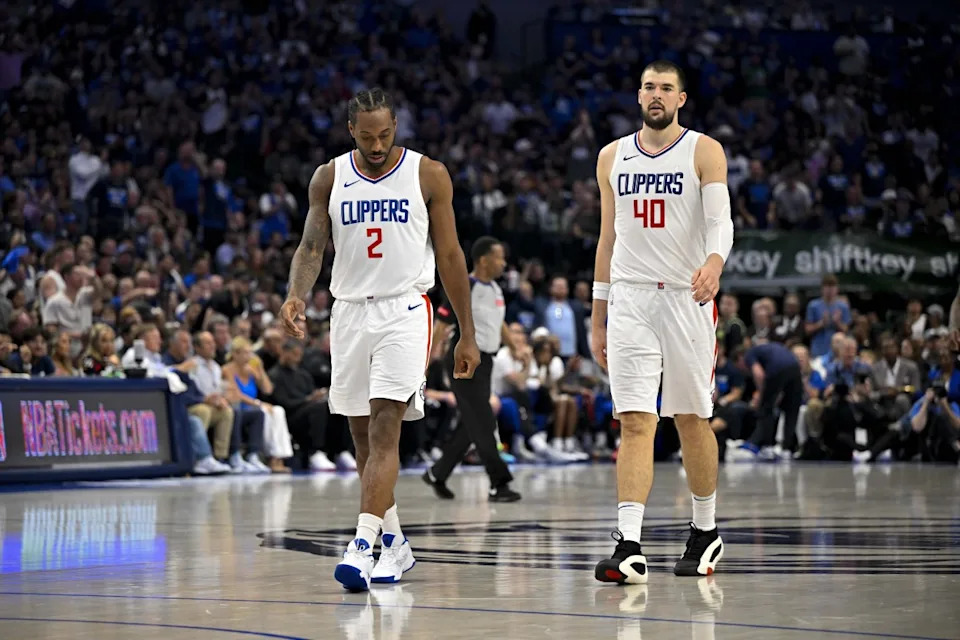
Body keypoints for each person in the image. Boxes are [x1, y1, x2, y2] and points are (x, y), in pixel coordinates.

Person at [279, 88, 480, 592]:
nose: (376, 144)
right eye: (367, 136)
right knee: (362, 437)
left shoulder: (427, 173)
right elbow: (310, 245)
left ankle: (363, 542)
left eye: (385, 134)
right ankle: (395, 544)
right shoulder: (329, 176)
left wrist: (467, 332)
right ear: (351, 130)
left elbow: (452, 255)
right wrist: (295, 294)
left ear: (396, 128)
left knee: (388, 423)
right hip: (347, 312)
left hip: (405, 308)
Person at [591, 60, 733, 584]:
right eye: (649, 86)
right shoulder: (611, 156)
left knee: (690, 418)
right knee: (634, 420)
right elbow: (606, 240)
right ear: (637, 96)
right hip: (629, 299)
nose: (656, 94)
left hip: (686, 298)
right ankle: (628, 543)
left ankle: (705, 530)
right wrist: (597, 312)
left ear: (681, 99)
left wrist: (715, 262)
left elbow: (721, 221)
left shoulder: (704, 149)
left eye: (666, 88)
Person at [423, 236, 521, 503]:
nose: (503, 262)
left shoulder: (496, 290)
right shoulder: (464, 285)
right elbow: (442, 324)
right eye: (499, 257)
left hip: (486, 361)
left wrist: (514, 346)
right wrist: (428, 362)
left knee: (473, 422)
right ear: (484, 259)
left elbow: (499, 324)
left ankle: (437, 473)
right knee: (484, 420)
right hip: (464, 360)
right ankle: (499, 483)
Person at [728, 342, 804, 460]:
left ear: (740, 358)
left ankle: (767, 447)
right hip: (794, 367)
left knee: (766, 409)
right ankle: (786, 449)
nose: (743, 370)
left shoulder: (750, 354)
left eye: (739, 366)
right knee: (792, 409)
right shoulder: (766, 349)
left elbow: (759, 374)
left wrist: (761, 394)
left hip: (776, 369)